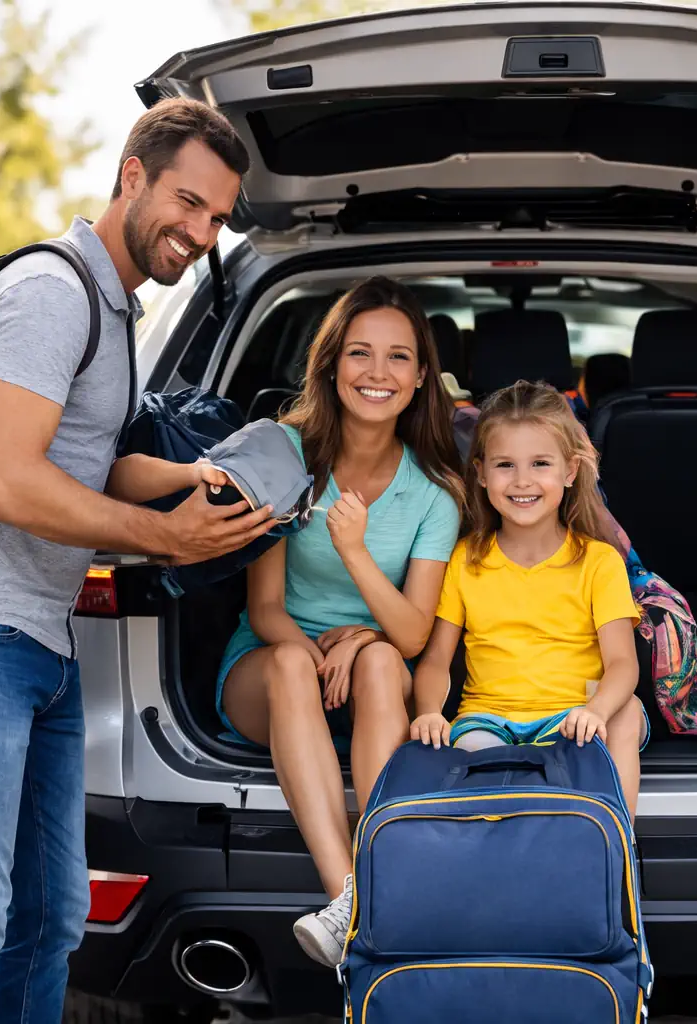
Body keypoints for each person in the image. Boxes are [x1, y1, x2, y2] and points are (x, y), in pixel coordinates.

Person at [0, 98, 274, 1024]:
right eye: (188, 202)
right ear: (130, 175)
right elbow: (7, 484)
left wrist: (195, 475)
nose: (201, 232)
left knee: (47, 917)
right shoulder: (51, 295)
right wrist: (168, 537)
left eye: (217, 218)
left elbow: (81, 457)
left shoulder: (111, 304)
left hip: (37, 643)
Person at [216, 277, 465, 967]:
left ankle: (364, 889)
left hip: (374, 673)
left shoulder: (434, 492)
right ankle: (352, 897)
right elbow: (265, 607)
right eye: (359, 353)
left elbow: (414, 634)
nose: (377, 373)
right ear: (330, 365)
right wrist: (320, 652)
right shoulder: (284, 455)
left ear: (421, 379)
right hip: (273, 666)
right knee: (297, 663)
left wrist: (356, 563)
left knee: (385, 659)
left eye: (397, 358)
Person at [409, 381, 649, 818]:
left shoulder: (599, 562)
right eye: (505, 465)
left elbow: (621, 664)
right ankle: (501, 838)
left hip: (575, 718)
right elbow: (436, 661)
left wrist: (595, 711)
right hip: (488, 718)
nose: (522, 481)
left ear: (570, 471)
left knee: (626, 711)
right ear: (481, 473)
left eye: (540, 463)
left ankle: (614, 843)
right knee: (479, 771)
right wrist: (428, 712)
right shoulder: (466, 559)